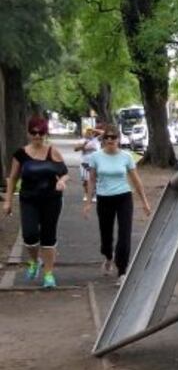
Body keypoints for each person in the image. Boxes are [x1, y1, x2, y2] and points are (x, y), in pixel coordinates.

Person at [2, 116, 69, 288]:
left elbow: (64, 172)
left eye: (41, 133)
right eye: (34, 132)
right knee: (30, 235)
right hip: (29, 200)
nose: (37, 136)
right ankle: (34, 260)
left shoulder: (52, 152)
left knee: (48, 236)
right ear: (29, 133)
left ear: (45, 133)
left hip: (51, 200)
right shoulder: (21, 154)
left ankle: (48, 274)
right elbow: (12, 178)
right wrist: (8, 201)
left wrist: (62, 182)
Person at [82, 124, 152, 282]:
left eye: (113, 137)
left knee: (124, 235)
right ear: (103, 140)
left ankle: (122, 270)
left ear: (119, 139)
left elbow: (136, 180)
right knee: (106, 236)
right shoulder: (96, 157)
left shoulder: (126, 157)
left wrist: (144, 202)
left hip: (123, 197)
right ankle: (108, 256)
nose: (110, 140)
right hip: (104, 198)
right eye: (106, 137)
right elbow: (91, 179)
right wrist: (88, 202)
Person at [73, 127, 101, 202]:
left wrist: (95, 129)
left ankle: (94, 195)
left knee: (95, 179)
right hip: (84, 163)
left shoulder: (96, 140)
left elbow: (105, 133)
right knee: (85, 180)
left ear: (94, 133)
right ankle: (86, 194)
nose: (90, 134)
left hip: (95, 163)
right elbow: (75, 149)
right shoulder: (82, 140)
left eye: (91, 132)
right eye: (88, 132)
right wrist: (83, 145)